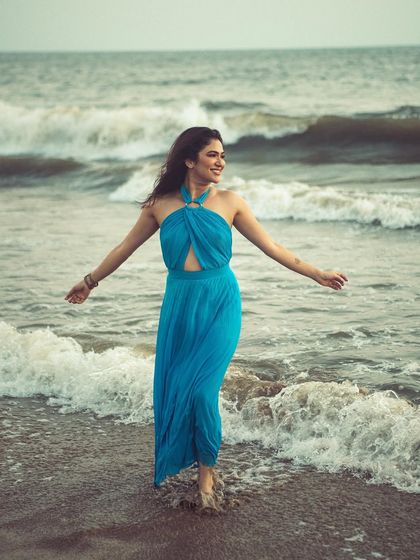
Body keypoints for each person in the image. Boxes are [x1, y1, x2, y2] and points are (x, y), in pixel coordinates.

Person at [64, 126, 348, 509]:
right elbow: (124, 248)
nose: (221, 162)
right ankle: (201, 464)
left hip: (220, 303)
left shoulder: (230, 202)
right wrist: (89, 281)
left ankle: (206, 479)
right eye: (213, 155)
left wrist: (317, 272)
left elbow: (273, 246)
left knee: (201, 391)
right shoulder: (160, 205)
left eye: (223, 156)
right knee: (179, 390)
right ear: (189, 159)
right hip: (179, 306)